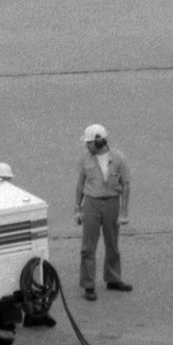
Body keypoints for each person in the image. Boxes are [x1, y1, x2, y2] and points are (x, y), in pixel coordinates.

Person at [73, 124, 131, 301]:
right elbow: (80, 184)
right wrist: (78, 208)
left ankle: (113, 278)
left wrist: (123, 212)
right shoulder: (85, 159)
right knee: (88, 247)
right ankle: (88, 285)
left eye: (89, 143)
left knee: (112, 244)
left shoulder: (119, 158)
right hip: (92, 203)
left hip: (111, 203)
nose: (87, 146)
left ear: (99, 141)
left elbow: (126, 185)